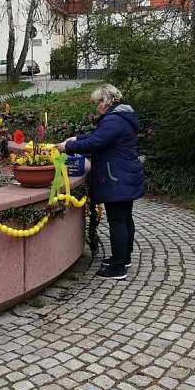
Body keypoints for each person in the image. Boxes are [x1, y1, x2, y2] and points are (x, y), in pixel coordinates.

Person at [57, 84, 144, 281]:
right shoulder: (121, 117)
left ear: (105, 102)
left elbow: (95, 143)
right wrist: (77, 137)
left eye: (96, 103)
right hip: (125, 174)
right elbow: (99, 137)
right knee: (124, 218)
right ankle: (123, 257)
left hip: (117, 176)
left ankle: (118, 267)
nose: (95, 107)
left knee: (118, 220)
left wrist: (67, 147)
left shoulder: (113, 120)